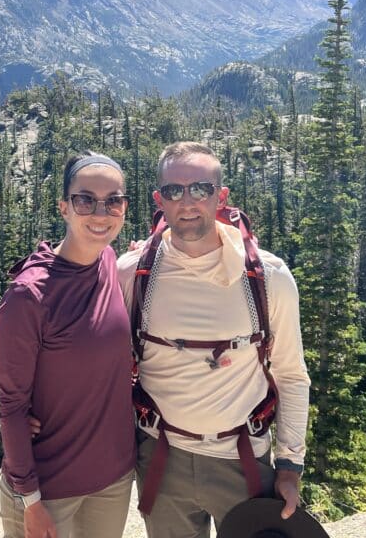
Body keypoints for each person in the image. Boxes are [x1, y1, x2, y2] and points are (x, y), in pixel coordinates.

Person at [118, 141, 310, 538]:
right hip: (160, 455)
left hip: (241, 460)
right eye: (174, 191)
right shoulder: (133, 273)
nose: (187, 202)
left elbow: (291, 374)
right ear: (159, 200)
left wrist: (289, 465)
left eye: (200, 189)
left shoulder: (268, 277)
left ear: (220, 196)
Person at [0, 152, 136, 538]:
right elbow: (12, 405)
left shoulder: (108, 260)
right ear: (64, 208)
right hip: (49, 490)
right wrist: (30, 500)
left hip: (113, 480)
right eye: (85, 199)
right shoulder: (29, 296)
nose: (100, 213)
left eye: (114, 200)